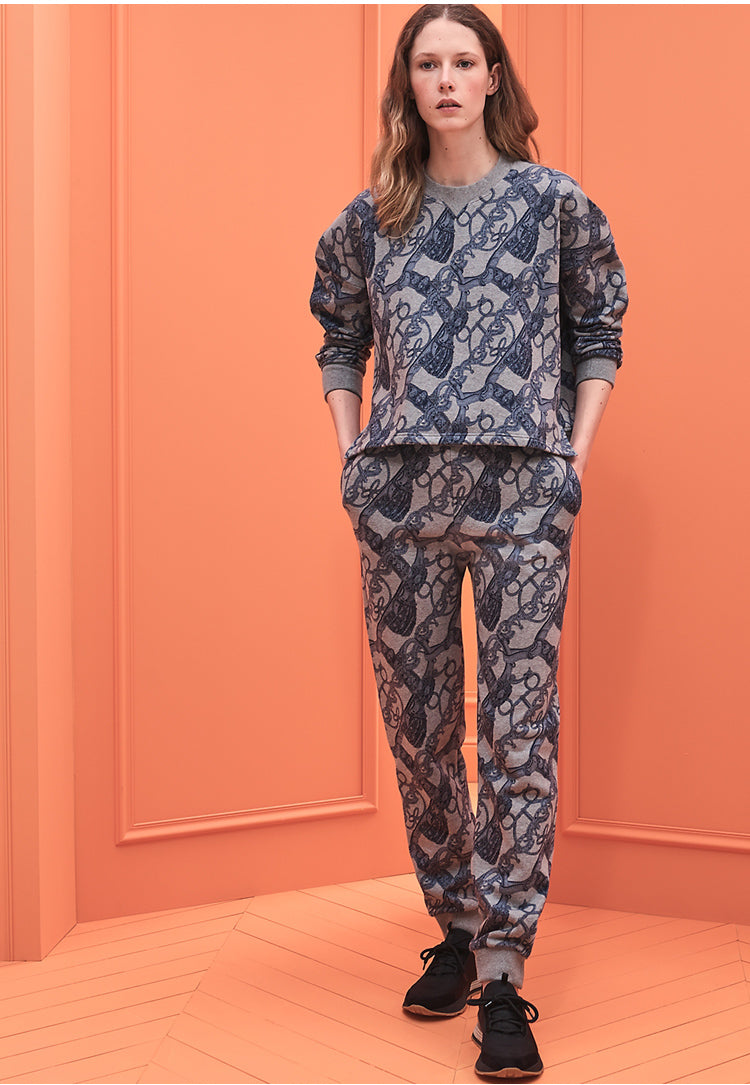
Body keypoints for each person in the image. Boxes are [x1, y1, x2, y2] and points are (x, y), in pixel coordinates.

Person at [310, 4, 627, 1079]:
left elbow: (599, 327)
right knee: (420, 726)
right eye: (427, 64)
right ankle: (453, 920)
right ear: (408, 84)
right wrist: (351, 453)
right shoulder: (370, 219)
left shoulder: (553, 204)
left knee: (517, 732)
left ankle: (501, 972)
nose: (445, 80)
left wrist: (572, 457)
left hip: (523, 498)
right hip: (399, 498)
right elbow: (340, 335)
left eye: (463, 61)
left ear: (493, 77)